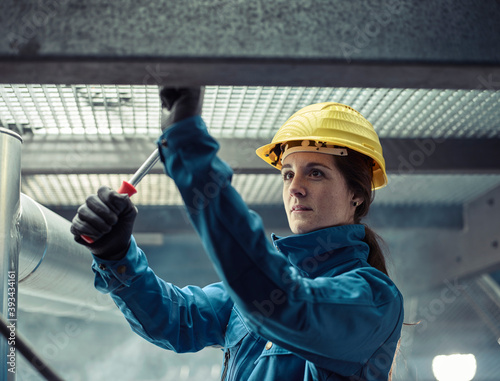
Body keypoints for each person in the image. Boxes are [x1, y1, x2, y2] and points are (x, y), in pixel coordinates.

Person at [71, 87, 404, 381]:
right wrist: (116, 255)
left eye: (315, 173)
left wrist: (189, 152)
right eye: (288, 174)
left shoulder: (373, 299)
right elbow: (177, 319)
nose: (296, 188)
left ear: (356, 194)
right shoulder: (256, 288)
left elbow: (279, 300)